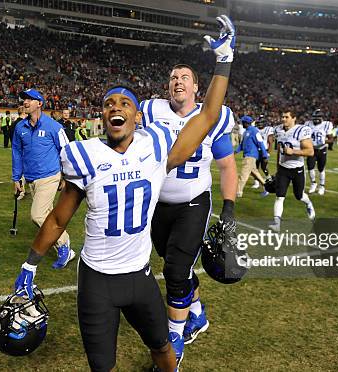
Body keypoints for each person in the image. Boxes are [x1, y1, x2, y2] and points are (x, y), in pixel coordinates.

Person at [12, 16, 234, 372]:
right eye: (109, 103)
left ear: (137, 116)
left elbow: (207, 115)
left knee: (164, 350)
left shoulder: (157, 147)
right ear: (103, 115)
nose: (117, 106)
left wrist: (224, 59)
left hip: (139, 276)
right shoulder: (84, 154)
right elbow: (57, 217)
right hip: (96, 279)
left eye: (125, 103)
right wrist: (29, 263)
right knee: (103, 366)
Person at [139, 62, 238, 364]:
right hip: (158, 204)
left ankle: (174, 338)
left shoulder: (214, 117)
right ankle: (196, 313)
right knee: (171, 263)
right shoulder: (150, 111)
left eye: (184, 78)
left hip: (194, 201)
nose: (177, 81)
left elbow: (227, 165)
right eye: (172, 78)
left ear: (196, 87)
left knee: (176, 271)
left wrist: (229, 209)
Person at [12, 88, 75, 270]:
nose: (25, 102)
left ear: (39, 103)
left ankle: (64, 245)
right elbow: (16, 153)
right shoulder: (20, 127)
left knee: (37, 215)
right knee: (47, 215)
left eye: (30, 99)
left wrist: (65, 176)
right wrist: (17, 177)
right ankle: (61, 244)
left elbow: (66, 152)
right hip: (31, 178)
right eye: (24, 99)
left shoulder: (54, 127)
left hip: (49, 176)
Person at [269, 110, 315, 232]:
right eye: (282, 116)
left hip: (297, 169)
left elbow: (310, 151)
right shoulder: (278, 130)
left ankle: (308, 204)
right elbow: (279, 149)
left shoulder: (301, 130)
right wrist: (277, 168)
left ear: (294, 118)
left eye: (286, 117)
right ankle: (276, 224)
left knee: (299, 196)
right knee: (279, 197)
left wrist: (293, 151)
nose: (283, 119)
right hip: (283, 169)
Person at [235, 115, 268, 197]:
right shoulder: (246, 132)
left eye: (243, 122)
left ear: (246, 123)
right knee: (255, 174)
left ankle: (238, 192)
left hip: (250, 156)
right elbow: (242, 145)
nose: (241, 123)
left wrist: (265, 156)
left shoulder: (254, 131)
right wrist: (235, 152)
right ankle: (267, 187)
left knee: (243, 174)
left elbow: (260, 143)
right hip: (248, 155)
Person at [305, 109, 333, 195]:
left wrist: (323, 142)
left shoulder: (326, 125)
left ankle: (322, 186)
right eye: (314, 117)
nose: (316, 119)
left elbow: (331, 139)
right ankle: (313, 183)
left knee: (321, 169)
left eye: (317, 117)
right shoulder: (307, 124)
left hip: (322, 149)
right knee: (310, 167)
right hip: (311, 149)